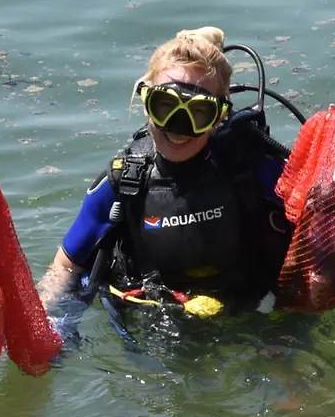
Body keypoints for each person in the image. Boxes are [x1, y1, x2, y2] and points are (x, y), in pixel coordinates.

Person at [36, 27, 291, 319]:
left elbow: (326, 220)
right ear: (146, 103)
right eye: (165, 106)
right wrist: (50, 324)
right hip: (154, 321)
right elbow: (67, 266)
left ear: (219, 117)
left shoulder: (253, 168)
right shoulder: (125, 180)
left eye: (197, 112)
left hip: (254, 310)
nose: (178, 126)